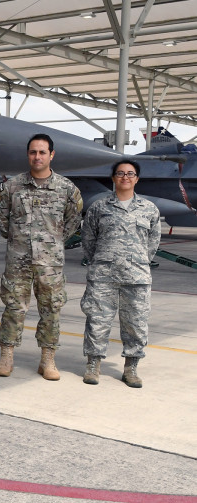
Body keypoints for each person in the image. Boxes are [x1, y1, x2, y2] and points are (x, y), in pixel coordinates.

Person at [0, 133, 83, 380]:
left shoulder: (66, 189)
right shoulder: (12, 187)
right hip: (18, 260)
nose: (37, 156)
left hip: (50, 264)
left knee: (51, 310)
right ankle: (7, 356)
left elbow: (73, 221)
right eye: (33, 152)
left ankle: (47, 359)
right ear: (28, 155)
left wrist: (52, 242)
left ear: (51, 155)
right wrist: (19, 242)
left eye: (42, 152)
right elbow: (2, 221)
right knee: (13, 307)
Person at [80, 160, 161, 387]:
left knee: (136, 323)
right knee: (97, 320)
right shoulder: (99, 207)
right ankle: (93, 365)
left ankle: (131, 368)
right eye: (120, 173)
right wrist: (104, 259)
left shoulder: (149, 209)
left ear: (136, 179)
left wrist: (136, 261)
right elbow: (89, 239)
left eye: (130, 174)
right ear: (114, 178)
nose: (125, 177)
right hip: (103, 274)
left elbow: (152, 244)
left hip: (136, 277)